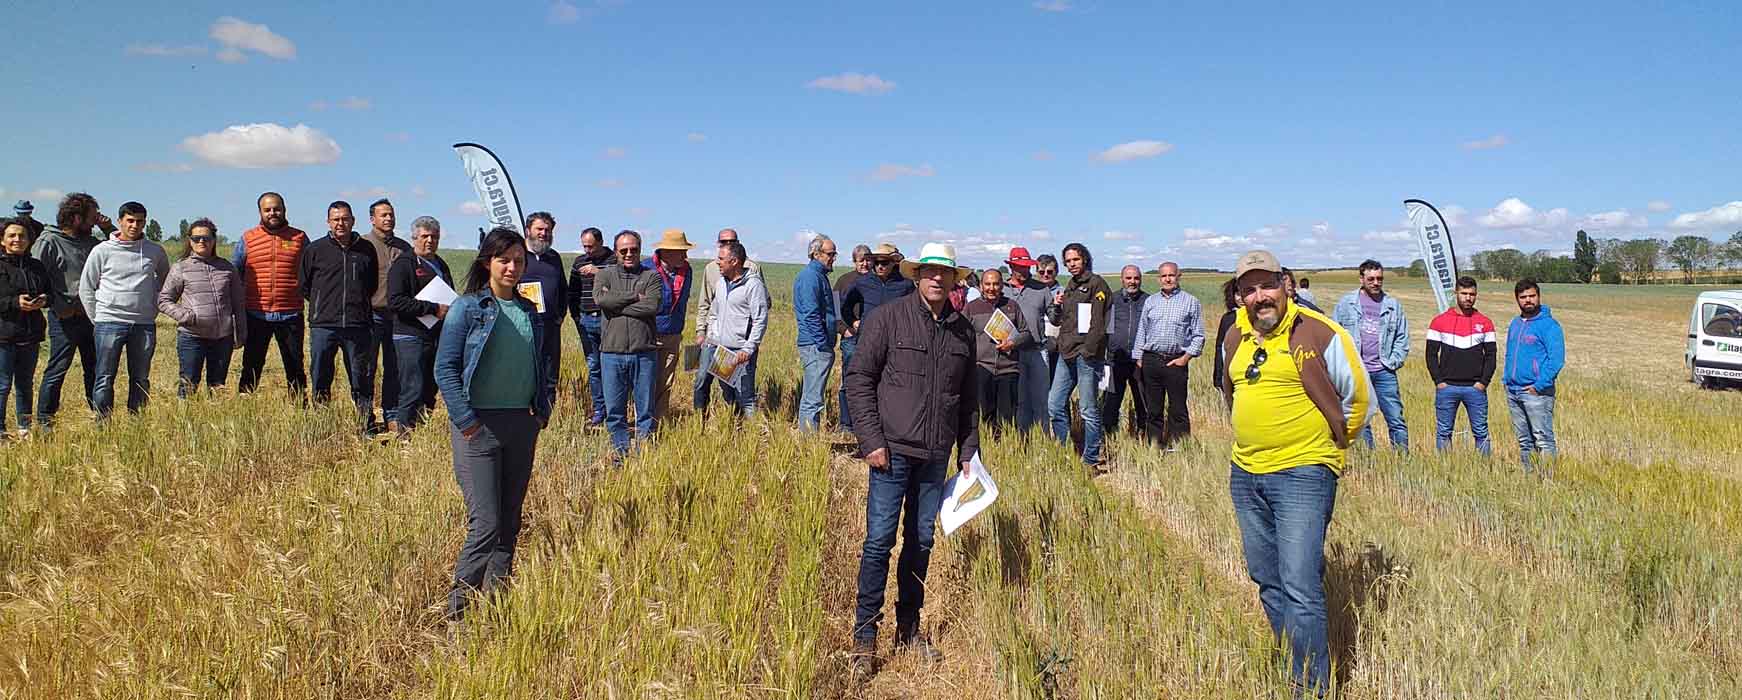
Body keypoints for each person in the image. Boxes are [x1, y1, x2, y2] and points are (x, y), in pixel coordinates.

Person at [1220, 249, 1373, 696]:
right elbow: (1231, 392)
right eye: (1248, 289)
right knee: (1266, 578)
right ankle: (1295, 662)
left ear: (1286, 283)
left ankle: (1310, 688)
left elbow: (1359, 398)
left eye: (1267, 284)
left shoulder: (1321, 332)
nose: (1259, 296)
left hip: (1303, 475)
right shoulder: (1235, 335)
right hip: (1246, 474)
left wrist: (1332, 446)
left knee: (1300, 585)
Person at [844, 241, 979, 674]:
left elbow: (968, 396)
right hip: (891, 453)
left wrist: (968, 449)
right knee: (879, 543)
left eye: (945, 273)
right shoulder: (889, 318)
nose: (936, 279)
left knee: (921, 543)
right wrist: (871, 440)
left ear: (954, 280)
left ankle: (909, 629)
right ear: (917, 276)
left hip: (935, 455)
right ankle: (865, 636)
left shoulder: (962, 330)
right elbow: (858, 379)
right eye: (929, 272)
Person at [434, 226, 553, 622]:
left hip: (521, 424)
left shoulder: (529, 311)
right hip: (478, 427)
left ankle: (496, 604)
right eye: (504, 260)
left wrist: (541, 411)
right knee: (485, 522)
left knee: (509, 521)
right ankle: (458, 614)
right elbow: (445, 370)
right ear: (488, 262)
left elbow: (543, 363)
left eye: (519, 261)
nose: (512, 267)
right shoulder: (468, 308)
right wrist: (467, 423)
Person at [81, 201, 170, 418]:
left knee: (140, 377)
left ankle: (136, 422)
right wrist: (99, 318)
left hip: (143, 324)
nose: (134, 225)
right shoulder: (102, 250)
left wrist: (152, 307)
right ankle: (103, 422)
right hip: (108, 322)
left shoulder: (155, 251)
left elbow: (166, 283)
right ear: (120, 221)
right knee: (104, 376)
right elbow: (86, 287)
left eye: (139, 221)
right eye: (130, 220)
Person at [300, 201, 379, 433]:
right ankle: (322, 424)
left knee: (360, 377)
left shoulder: (366, 249)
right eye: (336, 219)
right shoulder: (315, 250)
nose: (340, 223)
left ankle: (366, 424)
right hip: (324, 325)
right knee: (321, 375)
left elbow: (371, 284)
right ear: (328, 222)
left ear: (353, 220)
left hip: (357, 325)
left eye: (345, 218)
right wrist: (322, 306)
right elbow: (304, 286)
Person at [32, 193, 110, 426]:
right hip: (64, 318)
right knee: (57, 369)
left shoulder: (92, 243)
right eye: (92, 217)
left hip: (92, 316)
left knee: (95, 369)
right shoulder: (48, 241)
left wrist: (108, 228)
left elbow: (119, 248)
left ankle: (101, 418)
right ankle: (45, 421)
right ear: (76, 218)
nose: (95, 221)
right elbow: (36, 278)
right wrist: (56, 305)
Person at [157, 218, 245, 398]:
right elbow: (164, 300)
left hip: (222, 338)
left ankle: (214, 421)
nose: (201, 242)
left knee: (218, 386)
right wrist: (186, 315)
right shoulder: (181, 268)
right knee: (188, 384)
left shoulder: (227, 268)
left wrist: (241, 333)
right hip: (192, 338)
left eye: (206, 238)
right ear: (190, 241)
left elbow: (238, 304)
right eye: (196, 238)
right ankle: (184, 422)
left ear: (214, 239)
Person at [233, 192, 309, 397]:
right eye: (267, 210)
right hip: (256, 313)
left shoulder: (299, 238)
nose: (273, 213)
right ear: (260, 212)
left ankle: (299, 408)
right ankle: (245, 407)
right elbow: (235, 272)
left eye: (277, 208)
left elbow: (311, 272)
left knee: (295, 366)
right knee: (251, 364)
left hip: (290, 313)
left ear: (284, 210)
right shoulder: (247, 238)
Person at [595, 230, 661, 460]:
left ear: (640, 250)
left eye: (633, 249)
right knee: (615, 411)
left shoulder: (651, 276)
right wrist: (635, 297)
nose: (629, 254)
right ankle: (619, 452)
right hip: (611, 354)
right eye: (624, 250)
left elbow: (652, 307)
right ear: (616, 252)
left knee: (645, 410)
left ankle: (644, 454)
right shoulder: (604, 275)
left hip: (644, 353)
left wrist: (615, 303)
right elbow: (601, 300)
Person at [387, 216, 454, 433]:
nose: (429, 241)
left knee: (430, 386)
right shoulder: (403, 264)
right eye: (425, 236)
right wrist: (433, 308)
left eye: (434, 237)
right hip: (409, 335)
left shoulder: (441, 264)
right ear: (414, 238)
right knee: (412, 387)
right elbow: (396, 301)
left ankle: (422, 431)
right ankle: (405, 434)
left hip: (436, 335)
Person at [1332, 260, 1409, 450]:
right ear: (1361, 279)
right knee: (1361, 418)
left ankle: (1402, 458)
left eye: (1379, 279)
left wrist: (1392, 362)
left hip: (1384, 371)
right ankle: (1368, 460)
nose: (1376, 283)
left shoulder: (1392, 305)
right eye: (1371, 279)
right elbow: (1335, 335)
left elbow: (1402, 338)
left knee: (1395, 417)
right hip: (1357, 371)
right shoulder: (1346, 304)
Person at [1047, 243, 1111, 470]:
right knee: (1054, 405)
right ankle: (1065, 452)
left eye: (1075, 259)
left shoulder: (1097, 285)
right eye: (1068, 261)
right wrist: (1056, 305)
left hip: (1086, 356)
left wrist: (1087, 351)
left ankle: (1091, 458)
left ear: (1085, 259)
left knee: (1088, 409)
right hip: (1067, 353)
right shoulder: (1070, 287)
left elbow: (1098, 324)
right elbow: (1058, 320)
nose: (1072, 264)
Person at [1132, 261, 1204, 449]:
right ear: (1158, 279)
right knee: (1153, 409)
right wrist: (1139, 359)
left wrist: (1185, 359)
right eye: (1164, 276)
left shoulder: (1191, 302)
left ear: (1178, 276)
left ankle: (1179, 448)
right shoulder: (1151, 301)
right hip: (1152, 360)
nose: (1168, 279)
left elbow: (1198, 335)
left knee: (1178, 409)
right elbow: (1142, 331)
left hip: (1176, 361)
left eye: (1171, 275)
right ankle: (1154, 447)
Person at [695, 241, 768, 417]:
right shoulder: (721, 283)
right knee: (728, 395)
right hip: (720, 349)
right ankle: (734, 431)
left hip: (740, 352)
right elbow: (714, 312)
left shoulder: (753, 285)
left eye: (721, 258)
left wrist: (748, 349)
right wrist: (710, 338)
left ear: (734, 261)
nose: (717, 262)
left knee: (745, 397)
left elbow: (760, 320)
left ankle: (753, 438)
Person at [1424, 276, 1496, 454]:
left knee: (1481, 432)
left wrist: (1483, 383)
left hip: (1475, 388)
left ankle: (1484, 469)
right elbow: (1431, 354)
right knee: (1444, 433)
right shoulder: (1439, 321)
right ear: (1455, 293)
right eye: (1464, 293)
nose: (1468, 298)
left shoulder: (1485, 322)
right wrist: (1439, 381)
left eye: (1472, 294)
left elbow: (1492, 356)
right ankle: (1445, 468)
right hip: (1447, 387)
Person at [1502, 279, 1564, 470]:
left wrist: (1538, 386)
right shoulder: (1515, 323)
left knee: (1543, 439)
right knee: (1524, 441)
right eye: (1523, 297)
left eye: (1532, 296)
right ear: (1517, 299)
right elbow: (1510, 353)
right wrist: (1506, 380)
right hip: (1513, 390)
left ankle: (1547, 480)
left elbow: (1556, 361)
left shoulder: (1549, 326)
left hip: (1536, 392)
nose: (1528, 300)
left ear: (1539, 297)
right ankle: (1529, 477)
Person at [363, 199, 412, 432]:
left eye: (391, 214)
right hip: (371, 315)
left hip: (398, 317)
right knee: (367, 368)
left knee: (395, 368)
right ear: (372, 219)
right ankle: (366, 417)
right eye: (383, 215)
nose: (388, 218)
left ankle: (392, 414)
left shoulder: (404, 248)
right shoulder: (363, 245)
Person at [1, 218, 50, 436]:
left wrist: (43, 300)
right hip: (3, 335)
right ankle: (0, 431)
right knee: (2, 386)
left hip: (30, 335)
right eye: (12, 236)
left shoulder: (36, 266)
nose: (17, 240)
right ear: (2, 240)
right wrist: (14, 303)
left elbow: (50, 293)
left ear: (29, 240)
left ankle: (24, 428)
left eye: (22, 236)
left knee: (25, 385)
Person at [965, 268, 1029, 429]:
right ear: (981, 285)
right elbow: (962, 336)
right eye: (987, 284)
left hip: (1008, 369)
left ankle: (1006, 449)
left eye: (995, 284)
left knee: (1007, 418)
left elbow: (1026, 333)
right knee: (983, 415)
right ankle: (988, 450)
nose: (991, 288)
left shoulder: (1012, 306)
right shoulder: (971, 308)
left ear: (1002, 286)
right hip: (981, 368)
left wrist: (1012, 343)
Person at [566, 227, 613, 427]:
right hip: (586, 320)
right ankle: (599, 410)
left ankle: (615, 409)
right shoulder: (579, 262)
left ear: (601, 243)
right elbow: (573, 292)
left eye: (591, 247)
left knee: (612, 366)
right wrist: (577, 318)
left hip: (608, 320)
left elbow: (623, 278)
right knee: (594, 367)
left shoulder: (614, 260)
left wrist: (598, 272)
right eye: (584, 246)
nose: (587, 251)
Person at [645, 229, 694, 419]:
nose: (685, 255)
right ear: (666, 252)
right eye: (681, 251)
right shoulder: (646, 268)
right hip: (649, 334)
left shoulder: (686, 271)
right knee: (646, 381)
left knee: (665, 381)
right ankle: (644, 421)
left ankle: (660, 421)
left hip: (673, 334)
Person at [1002, 247, 1051, 431]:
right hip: (1013, 353)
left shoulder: (1041, 289)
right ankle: (1023, 443)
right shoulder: (1003, 290)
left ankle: (1043, 443)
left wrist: (1059, 307)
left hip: (1038, 351)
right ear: (1011, 267)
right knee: (1020, 402)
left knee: (1041, 401)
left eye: (1026, 267)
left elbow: (1055, 317)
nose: (1023, 271)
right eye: (1019, 267)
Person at [792, 235, 838, 431]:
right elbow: (811, 314)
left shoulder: (818, 276)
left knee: (813, 396)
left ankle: (809, 442)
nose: (833, 258)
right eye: (830, 254)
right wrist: (823, 344)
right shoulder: (811, 277)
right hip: (815, 345)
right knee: (813, 398)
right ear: (816, 254)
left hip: (816, 344)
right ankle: (808, 446)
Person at [520, 212, 567, 402]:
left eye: (548, 230)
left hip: (549, 327)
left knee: (549, 374)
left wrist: (560, 315)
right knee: (524, 371)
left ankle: (546, 412)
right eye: (539, 229)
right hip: (522, 326)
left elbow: (563, 289)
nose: (544, 233)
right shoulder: (517, 255)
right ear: (527, 230)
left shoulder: (554, 257)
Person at [1102, 264, 1149, 437]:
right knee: (1111, 402)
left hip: (1140, 361)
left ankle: (1143, 435)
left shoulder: (1148, 301)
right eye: (1128, 278)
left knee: (1143, 401)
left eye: (1136, 278)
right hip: (1115, 360)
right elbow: (1104, 329)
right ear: (1122, 279)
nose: (1132, 282)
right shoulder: (1112, 300)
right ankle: (1109, 436)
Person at [832, 243, 871, 430]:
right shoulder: (844, 281)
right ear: (854, 261)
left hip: (872, 339)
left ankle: (867, 423)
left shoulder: (877, 281)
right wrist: (844, 329)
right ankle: (846, 424)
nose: (864, 264)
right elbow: (834, 309)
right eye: (860, 260)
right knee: (848, 381)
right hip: (851, 338)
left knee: (871, 382)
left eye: (867, 260)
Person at [1034, 253, 1063, 380]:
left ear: (1056, 272)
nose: (1045, 275)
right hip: (1036, 346)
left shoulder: (1064, 292)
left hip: (1057, 347)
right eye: (1041, 272)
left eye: (1049, 272)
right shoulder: (1032, 292)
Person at [1212, 277, 1240, 406]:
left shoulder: (1260, 317)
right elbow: (1220, 347)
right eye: (1237, 294)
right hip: (1230, 371)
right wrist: (1218, 376)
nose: (1241, 298)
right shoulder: (1228, 319)